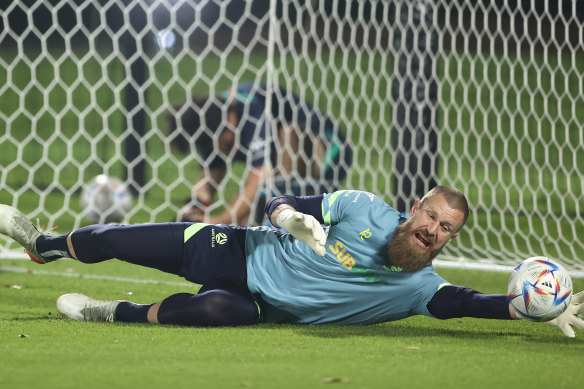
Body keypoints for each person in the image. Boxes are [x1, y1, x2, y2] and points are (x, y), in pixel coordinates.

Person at [0, 186, 583, 336]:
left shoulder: (419, 290)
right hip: (240, 246)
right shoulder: (361, 208)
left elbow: (469, 305)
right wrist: (289, 220)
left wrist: (524, 309)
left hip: (254, 302)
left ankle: (112, 314)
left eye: (446, 230)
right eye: (431, 217)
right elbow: (280, 201)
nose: (433, 230)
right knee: (119, 238)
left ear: (449, 240)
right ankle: (43, 244)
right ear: (414, 209)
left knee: (217, 312)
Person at [166, 82, 353, 225]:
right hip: (279, 165)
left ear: (231, 120)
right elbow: (209, 176)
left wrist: (217, 220)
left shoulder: (252, 110)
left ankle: (284, 213)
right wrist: (196, 206)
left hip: (329, 155)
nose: (221, 148)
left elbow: (257, 179)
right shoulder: (212, 121)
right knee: (243, 223)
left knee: (288, 135)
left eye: (222, 141)